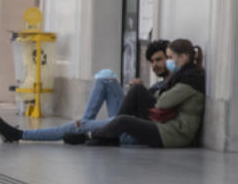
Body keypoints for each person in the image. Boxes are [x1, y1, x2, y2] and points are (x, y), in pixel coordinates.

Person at [0, 40, 171, 143]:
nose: (155, 65)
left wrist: (142, 92)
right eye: (152, 61)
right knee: (106, 77)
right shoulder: (161, 83)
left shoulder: (174, 85)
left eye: (160, 60)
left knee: (76, 126)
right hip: (128, 119)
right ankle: (86, 124)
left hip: (135, 130)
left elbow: (160, 111)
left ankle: (21, 134)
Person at [69, 38, 205, 147]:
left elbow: (163, 102)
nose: (168, 62)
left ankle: (90, 135)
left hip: (173, 134)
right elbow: (160, 96)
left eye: (170, 57)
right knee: (137, 90)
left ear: (183, 57)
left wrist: (158, 94)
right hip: (166, 124)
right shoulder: (181, 76)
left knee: (123, 120)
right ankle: (108, 135)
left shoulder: (191, 80)